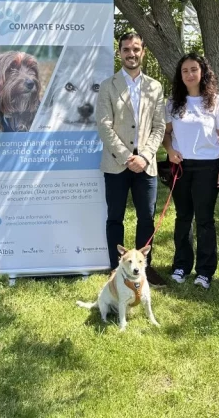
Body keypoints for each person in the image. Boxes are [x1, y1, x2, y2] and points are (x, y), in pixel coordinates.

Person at [96, 32, 167, 286]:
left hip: (146, 166)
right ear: (120, 53)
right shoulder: (108, 86)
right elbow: (104, 126)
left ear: (143, 52)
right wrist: (128, 158)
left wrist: (145, 156)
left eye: (136, 49)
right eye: (126, 49)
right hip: (116, 164)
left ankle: (144, 268)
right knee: (115, 217)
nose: (131, 54)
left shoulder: (155, 87)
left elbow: (159, 126)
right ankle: (116, 269)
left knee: (146, 218)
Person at [163, 53, 219, 289]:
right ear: (180, 76)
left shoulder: (215, 102)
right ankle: (181, 266)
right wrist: (170, 150)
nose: (190, 74)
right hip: (181, 167)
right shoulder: (173, 103)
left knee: (204, 220)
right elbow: (166, 133)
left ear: (202, 72)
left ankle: (204, 271)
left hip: (208, 167)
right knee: (183, 217)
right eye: (185, 71)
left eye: (194, 69)